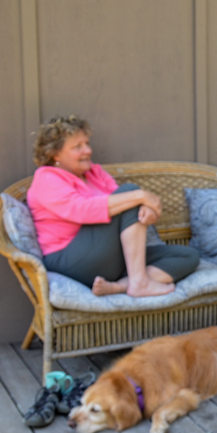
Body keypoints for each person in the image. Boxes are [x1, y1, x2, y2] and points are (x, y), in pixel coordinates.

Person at [25, 116, 199, 297]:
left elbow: (125, 205)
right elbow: (81, 209)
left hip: (109, 257)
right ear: (55, 154)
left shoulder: (94, 173)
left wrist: (146, 209)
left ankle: (120, 286)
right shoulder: (47, 178)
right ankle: (139, 282)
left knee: (186, 256)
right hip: (71, 261)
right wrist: (140, 197)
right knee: (130, 193)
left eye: (87, 143)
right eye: (77, 146)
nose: (88, 150)